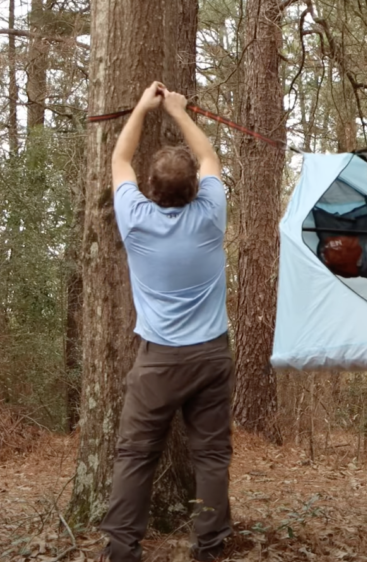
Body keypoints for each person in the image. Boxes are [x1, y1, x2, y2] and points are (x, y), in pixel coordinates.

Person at [98, 82, 233, 562]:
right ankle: (210, 547)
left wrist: (141, 108)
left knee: (136, 455)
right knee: (211, 456)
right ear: (195, 188)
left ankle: (121, 548)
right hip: (212, 356)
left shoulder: (135, 218)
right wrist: (178, 111)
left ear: (150, 190)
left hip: (158, 362)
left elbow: (120, 161)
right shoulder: (211, 214)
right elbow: (210, 156)